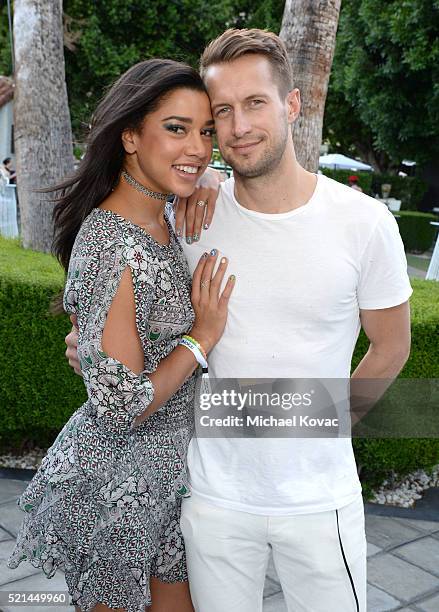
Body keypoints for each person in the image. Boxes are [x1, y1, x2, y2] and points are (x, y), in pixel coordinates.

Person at [66, 29, 412, 612]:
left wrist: (321, 429)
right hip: (211, 498)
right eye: (221, 111)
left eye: (255, 103)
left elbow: (390, 348)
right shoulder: (189, 212)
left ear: (292, 104)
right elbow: (125, 295)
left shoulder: (365, 222)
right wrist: (92, 348)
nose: (237, 127)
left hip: (319, 499)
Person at [8, 59, 235, 612]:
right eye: (176, 129)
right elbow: (122, 404)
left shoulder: (162, 215)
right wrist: (200, 339)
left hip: (165, 481)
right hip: (117, 491)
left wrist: (207, 179)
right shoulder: (111, 243)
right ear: (130, 136)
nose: (198, 147)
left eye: (205, 132)